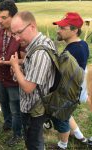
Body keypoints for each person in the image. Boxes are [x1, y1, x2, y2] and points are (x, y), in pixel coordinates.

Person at [10, 11, 56, 150]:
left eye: (19, 32)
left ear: (32, 26)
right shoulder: (38, 43)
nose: (17, 38)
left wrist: (15, 67)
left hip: (34, 108)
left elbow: (28, 88)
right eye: (14, 34)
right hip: (35, 105)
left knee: (34, 143)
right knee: (33, 139)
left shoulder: (40, 53)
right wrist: (20, 70)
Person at [52, 12, 89, 149]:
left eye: (63, 28)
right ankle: (80, 137)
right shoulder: (83, 44)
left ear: (74, 30)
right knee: (67, 114)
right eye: (59, 27)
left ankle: (63, 145)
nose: (58, 30)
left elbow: (62, 75)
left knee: (62, 117)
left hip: (68, 91)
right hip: (75, 89)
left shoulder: (72, 52)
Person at [0, 0, 25, 147]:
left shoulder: (20, 34)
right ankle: (7, 123)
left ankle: (18, 134)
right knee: (3, 103)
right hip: (0, 77)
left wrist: (8, 63)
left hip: (14, 80)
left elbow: (25, 59)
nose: (0, 20)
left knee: (15, 108)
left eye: (3, 17)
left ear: (14, 17)